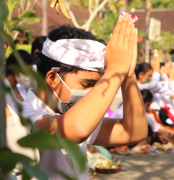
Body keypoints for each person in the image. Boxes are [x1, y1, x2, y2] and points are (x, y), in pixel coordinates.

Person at [21, 14, 147, 179]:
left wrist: (128, 77)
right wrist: (115, 70)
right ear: (52, 78)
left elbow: (133, 133)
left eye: (95, 85)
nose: (92, 93)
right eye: (86, 85)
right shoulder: (24, 115)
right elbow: (76, 129)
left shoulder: (73, 114)